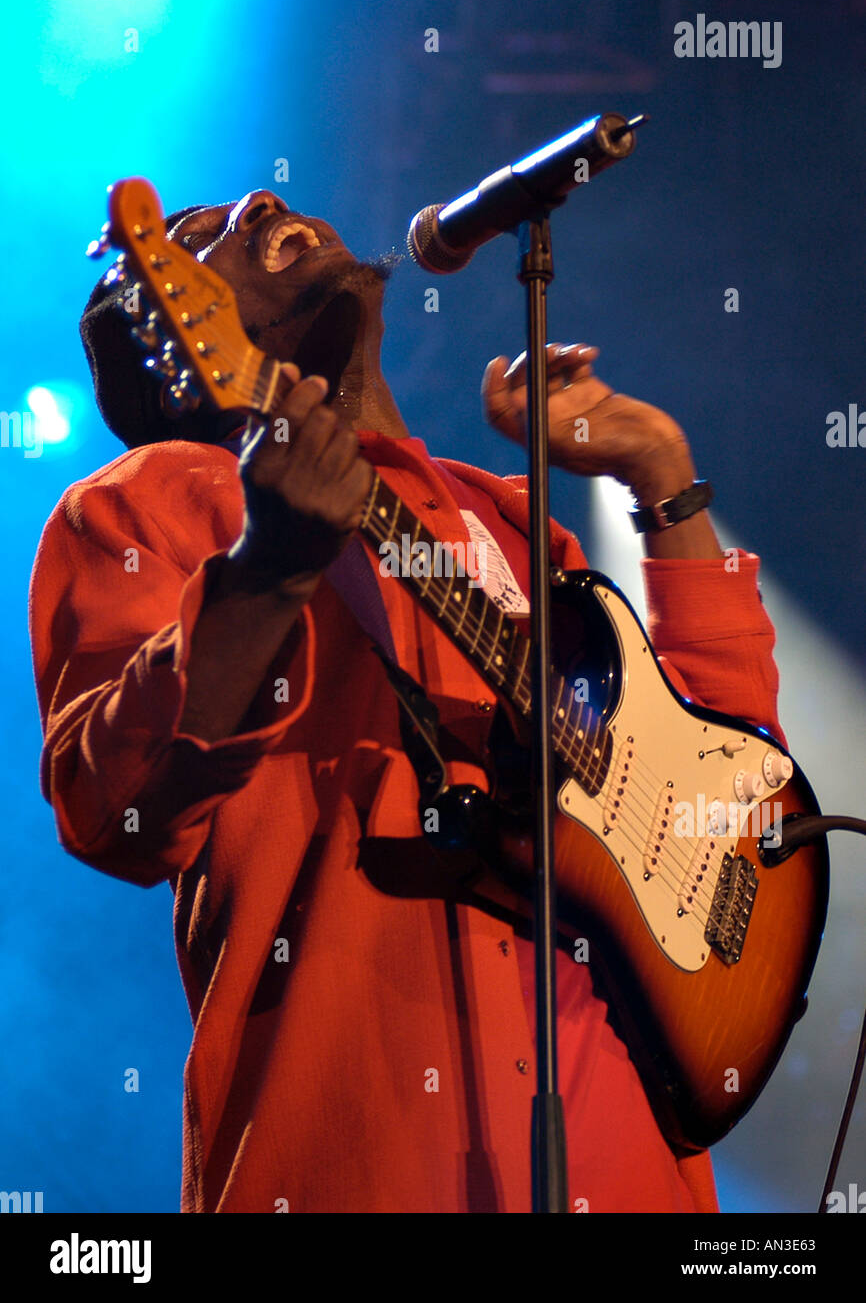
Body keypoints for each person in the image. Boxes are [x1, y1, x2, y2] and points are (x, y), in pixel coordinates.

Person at [29, 189, 784, 1213]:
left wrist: (661, 479)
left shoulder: (516, 523)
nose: (258, 201)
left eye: (252, 199)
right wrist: (267, 571)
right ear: (177, 339)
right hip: (360, 1163)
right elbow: (111, 809)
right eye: (202, 235)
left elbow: (733, 780)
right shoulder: (149, 499)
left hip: (628, 1169)